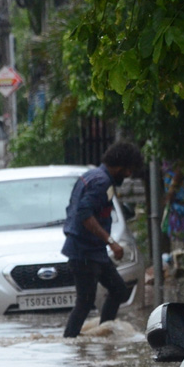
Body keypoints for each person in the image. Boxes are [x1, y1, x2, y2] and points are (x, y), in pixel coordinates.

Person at [60, 141, 143, 338]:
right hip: (84, 252)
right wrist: (111, 242)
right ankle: (70, 342)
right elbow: (84, 214)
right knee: (85, 302)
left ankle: (105, 332)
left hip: (93, 252)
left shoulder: (94, 176)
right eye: (129, 169)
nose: (130, 174)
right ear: (121, 165)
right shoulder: (101, 182)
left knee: (119, 291)